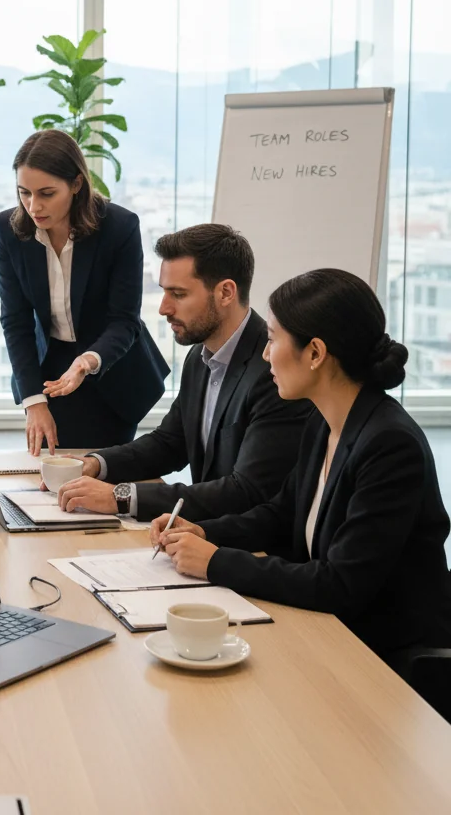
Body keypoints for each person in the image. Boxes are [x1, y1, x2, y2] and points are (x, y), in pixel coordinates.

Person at [155, 269, 451, 669]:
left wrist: (214, 560)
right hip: (328, 634)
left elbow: (340, 584)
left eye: (273, 339)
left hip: (384, 660)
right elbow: (279, 514)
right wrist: (203, 531)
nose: (264, 354)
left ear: (314, 353)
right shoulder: (322, 422)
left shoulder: (389, 445)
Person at [56, 224, 313, 521]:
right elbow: (171, 443)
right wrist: (96, 464)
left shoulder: (273, 371)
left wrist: (122, 497)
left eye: (178, 294)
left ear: (226, 292)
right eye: (164, 292)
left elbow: (246, 491)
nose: (164, 308)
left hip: (252, 549)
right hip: (203, 535)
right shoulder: (199, 356)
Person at [0, 129, 169, 453]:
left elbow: (124, 321)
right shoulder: (10, 229)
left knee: (101, 473)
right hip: (50, 368)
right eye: (24, 193)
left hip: (110, 366)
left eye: (47, 193)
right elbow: (15, 321)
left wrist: (86, 362)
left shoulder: (119, 227)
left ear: (76, 184)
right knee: (51, 469)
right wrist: (33, 401)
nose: (34, 206)